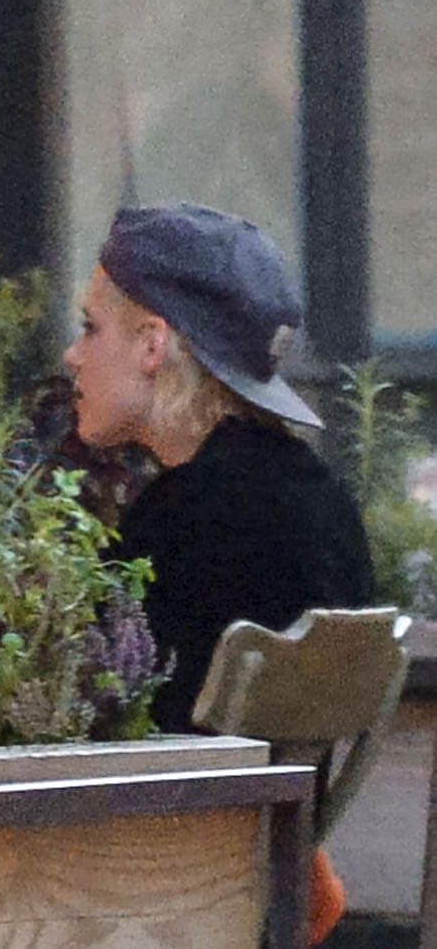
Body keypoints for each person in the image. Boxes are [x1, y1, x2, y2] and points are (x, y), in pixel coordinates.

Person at [63, 202, 375, 735]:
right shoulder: (320, 500)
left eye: (90, 328)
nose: (73, 356)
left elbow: (92, 717)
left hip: (173, 793)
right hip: (278, 793)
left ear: (152, 344)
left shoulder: (186, 519)